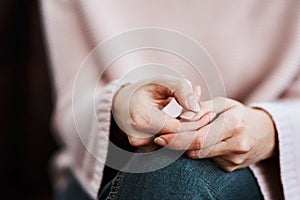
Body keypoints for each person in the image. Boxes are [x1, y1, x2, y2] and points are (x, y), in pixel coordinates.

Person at [41, 1, 300, 199]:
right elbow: (72, 104)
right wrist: (119, 108)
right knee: (165, 171)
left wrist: (269, 130)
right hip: (104, 166)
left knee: (172, 175)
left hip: (274, 168)